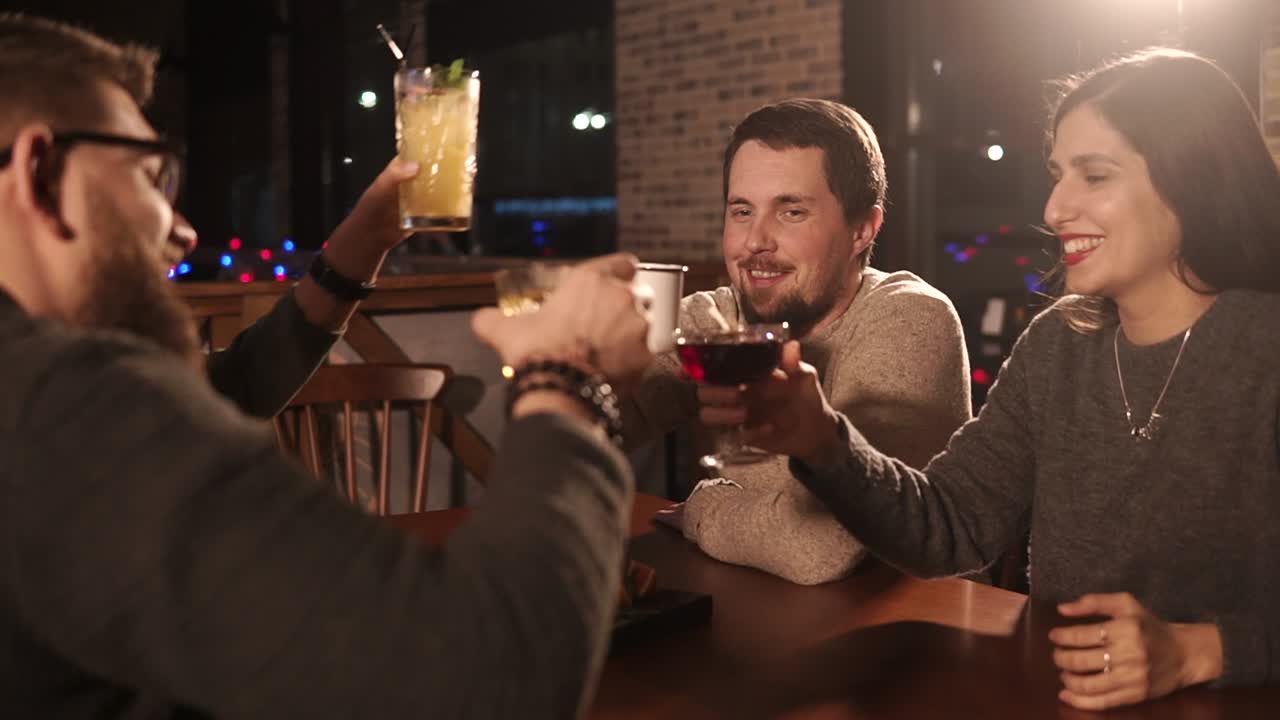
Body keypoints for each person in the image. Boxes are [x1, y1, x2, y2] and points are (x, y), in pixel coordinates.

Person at [0, 13, 654, 717]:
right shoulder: (63, 406)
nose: (182, 228)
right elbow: (494, 676)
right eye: (150, 173)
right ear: (40, 171)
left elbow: (225, 392)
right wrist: (566, 374)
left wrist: (356, 247)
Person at [707, 48, 1280, 709]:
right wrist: (822, 444)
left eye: (1094, 176)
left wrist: (1200, 650)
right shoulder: (1060, 344)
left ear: (1194, 178)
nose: (1057, 206)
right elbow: (946, 527)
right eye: (1057, 175)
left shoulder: (1264, 347)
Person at [625, 98, 971, 585]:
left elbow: (820, 546)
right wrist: (576, 365)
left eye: (791, 212)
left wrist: (705, 507)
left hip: (910, 639)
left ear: (862, 230)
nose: (754, 241)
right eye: (742, 210)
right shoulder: (721, 318)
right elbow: (599, 425)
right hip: (761, 625)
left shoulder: (910, 315)